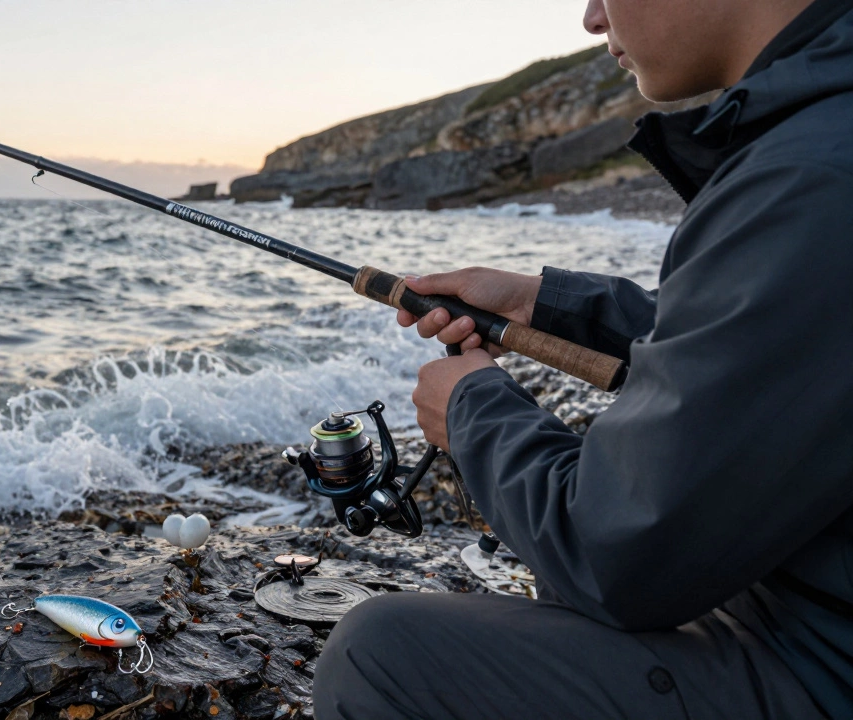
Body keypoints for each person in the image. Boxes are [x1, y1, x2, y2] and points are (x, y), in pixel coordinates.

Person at [313, 0, 853, 717]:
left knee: (381, 655)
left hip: (824, 667)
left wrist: (471, 410)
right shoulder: (823, 139)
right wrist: (548, 304)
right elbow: (764, 351)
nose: (593, 18)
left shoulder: (811, 177)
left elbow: (618, 553)